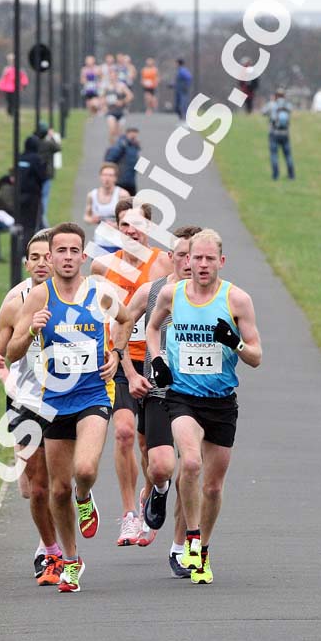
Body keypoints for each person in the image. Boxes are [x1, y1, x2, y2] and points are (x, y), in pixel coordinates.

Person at [7, 222, 134, 593]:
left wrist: (115, 352)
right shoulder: (39, 298)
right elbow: (12, 352)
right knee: (57, 490)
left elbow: (125, 320)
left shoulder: (100, 292)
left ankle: (85, 496)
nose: (65, 257)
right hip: (53, 402)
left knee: (84, 469)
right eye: (58, 251)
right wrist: (32, 329)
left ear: (83, 255)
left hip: (94, 395)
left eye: (72, 251)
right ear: (50, 257)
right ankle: (72, 560)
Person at [146, 229, 262, 584]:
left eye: (210, 258)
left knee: (213, 486)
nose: (202, 264)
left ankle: (203, 547)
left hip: (221, 402)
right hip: (183, 397)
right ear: (187, 260)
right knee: (191, 462)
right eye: (197, 257)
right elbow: (152, 329)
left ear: (221, 262)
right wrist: (158, 359)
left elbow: (256, 356)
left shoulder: (237, 300)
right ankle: (190, 539)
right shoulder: (171, 294)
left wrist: (235, 342)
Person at [0, 231, 65, 586]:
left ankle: (80, 499)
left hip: (68, 398)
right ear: (27, 263)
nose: (43, 263)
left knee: (65, 481)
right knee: (36, 486)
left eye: (48, 256)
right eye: (35, 257)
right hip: (27, 399)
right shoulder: (16, 299)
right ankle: (48, 549)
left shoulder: (76, 296)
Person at [91, 201, 173, 546]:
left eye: (138, 224)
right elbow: (96, 316)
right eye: (125, 225)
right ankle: (128, 515)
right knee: (123, 433)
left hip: (153, 361)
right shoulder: (102, 266)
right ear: (117, 228)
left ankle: (156, 488)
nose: (131, 231)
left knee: (146, 444)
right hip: (119, 360)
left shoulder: (164, 263)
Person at [122, 225, 201, 569]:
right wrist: (130, 373)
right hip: (158, 390)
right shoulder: (151, 291)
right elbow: (119, 328)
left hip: (200, 395)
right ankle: (157, 489)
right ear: (170, 257)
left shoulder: (216, 297)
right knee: (162, 466)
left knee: (192, 467)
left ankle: (180, 546)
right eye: (181, 254)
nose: (188, 261)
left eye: (194, 255)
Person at [84, 163, 130, 255]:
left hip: (118, 244)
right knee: (97, 269)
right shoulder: (92, 195)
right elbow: (86, 217)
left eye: (110, 175)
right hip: (99, 243)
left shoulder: (122, 195)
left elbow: (130, 220)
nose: (107, 178)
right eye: (104, 175)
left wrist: (115, 225)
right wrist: (92, 220)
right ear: (100, 177)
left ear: (115, 178)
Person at [17, 135, 47, 256]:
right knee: (31, 224)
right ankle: (27, 251)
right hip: (32, 196)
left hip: (18, 196)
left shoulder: (20, 157)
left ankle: (20, 248)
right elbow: (42, 176)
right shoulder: (37, 159)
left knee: (22, 223)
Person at [262, 88, 295, 180]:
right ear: (284, 95)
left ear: (276, 95)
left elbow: (263, 112)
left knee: (274, 154)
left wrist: (272, 101)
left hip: (274, 133)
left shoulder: (272, 104)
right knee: (288, 155)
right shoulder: (287, 105)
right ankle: (291, 175)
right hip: (285, 133)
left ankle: (276, 175)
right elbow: (291, 110)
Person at [34, 122, 61, 228]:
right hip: (46, 175)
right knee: (44, 198)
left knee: (39, 198)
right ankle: (43, 222)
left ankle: (40, 220)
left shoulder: (35, 143)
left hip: (37, 175)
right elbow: (58, 147)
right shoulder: (48, 143)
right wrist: (52, 136)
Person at [104, 126, 141, 196]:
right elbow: (109, 160)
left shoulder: (135, 146)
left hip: (130, 180)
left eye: (135, 133)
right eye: (132, 133)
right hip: (120, 181)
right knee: (119, 202)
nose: (134, 135)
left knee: (132, 203)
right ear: (127, 133)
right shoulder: (121, 145)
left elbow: (135, 161)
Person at [102, 69, 133, 145]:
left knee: (119, 133)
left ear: (116, 76)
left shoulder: (121, 86)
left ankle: (118, 149)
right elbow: (102, 98)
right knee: (112, 130)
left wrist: (122, 102)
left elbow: (130, 96)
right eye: (111, 76)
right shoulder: (107, 86)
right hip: (111, 111)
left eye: (114, 75)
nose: (112, 77)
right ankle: (112, 147)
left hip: (120, 112)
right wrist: (104, 106)